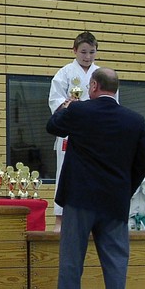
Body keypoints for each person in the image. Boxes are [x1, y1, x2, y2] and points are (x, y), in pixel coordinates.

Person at [46, 67, 145, 289]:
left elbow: (53, 127)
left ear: (93, 86)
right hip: (115, 202)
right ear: (115, 89)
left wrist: (66, 106)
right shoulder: (135, 120)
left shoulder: (80, 111)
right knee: (116, 263)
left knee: (71, 262)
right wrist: (124, 190)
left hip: (79, 199)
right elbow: (143, 163)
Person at [48, 31, 99, 232]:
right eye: (83, 52)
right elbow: (55, 101)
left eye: (91, 52)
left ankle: (92, 219)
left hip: (94, 135)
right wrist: (68, 104)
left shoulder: (101, 74)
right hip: (70, 133)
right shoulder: (64, 73)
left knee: (94, 174)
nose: (87, 57)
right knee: (64, 174)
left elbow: (111, 101)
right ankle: (60, 220)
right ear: (74, 51)